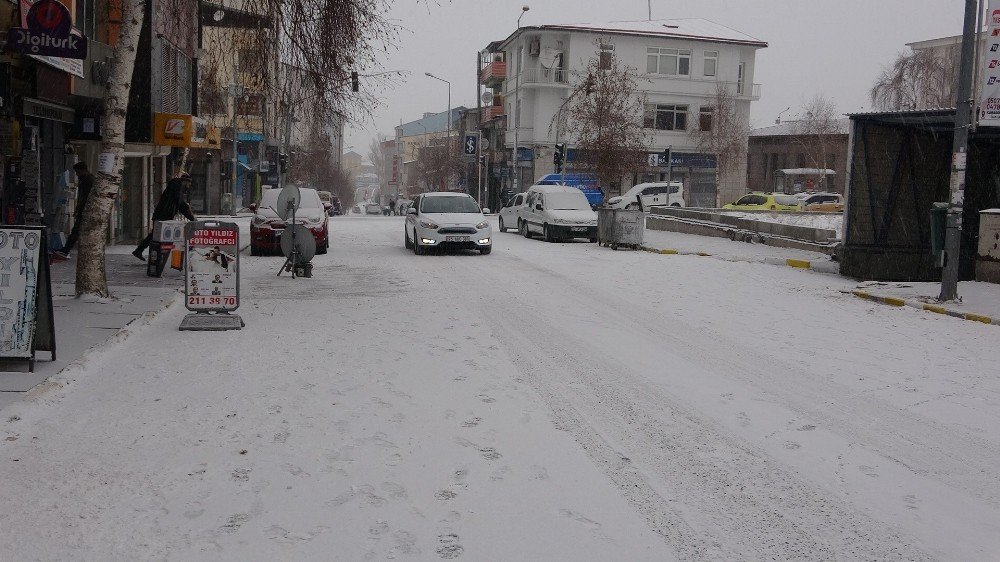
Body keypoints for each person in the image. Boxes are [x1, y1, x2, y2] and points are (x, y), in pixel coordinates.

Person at [133, 172, 196, 261]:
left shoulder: (176, 186)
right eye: (189, 183)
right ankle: (153, 255)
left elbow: (179, 203)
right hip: (163, 215)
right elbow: (180, 204)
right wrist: (191, 217)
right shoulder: (177, 187)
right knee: (158, 236)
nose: (189, 185)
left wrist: (189, 214)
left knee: (155, 235)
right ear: (185, 181)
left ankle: (142, 251)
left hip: (163, 214)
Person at [54, 162, 95, 259]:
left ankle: (66, 250)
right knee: (78, 231)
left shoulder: (88, 180)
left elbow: (84, 197)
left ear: (83, 170)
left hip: (86, 211)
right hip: (84, 210)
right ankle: (67, 249)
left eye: (77, 172)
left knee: (76, 231)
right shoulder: (86, 179)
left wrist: (80, 209)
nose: (76, 174)